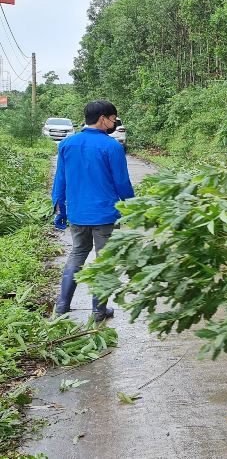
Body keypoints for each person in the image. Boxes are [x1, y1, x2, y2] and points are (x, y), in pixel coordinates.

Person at [52, 100, 136, 321]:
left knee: (78, 253)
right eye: (113, 118)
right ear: (103, 119)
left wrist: (59, 207)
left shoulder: (66, 144)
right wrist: (134, 207)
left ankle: (62, 306)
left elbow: (60, 180)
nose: (114, 122)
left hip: (78, 213)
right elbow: (122, 183)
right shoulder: (112, 146)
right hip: (105, 215)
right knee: (104, 260)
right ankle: (99, 311)